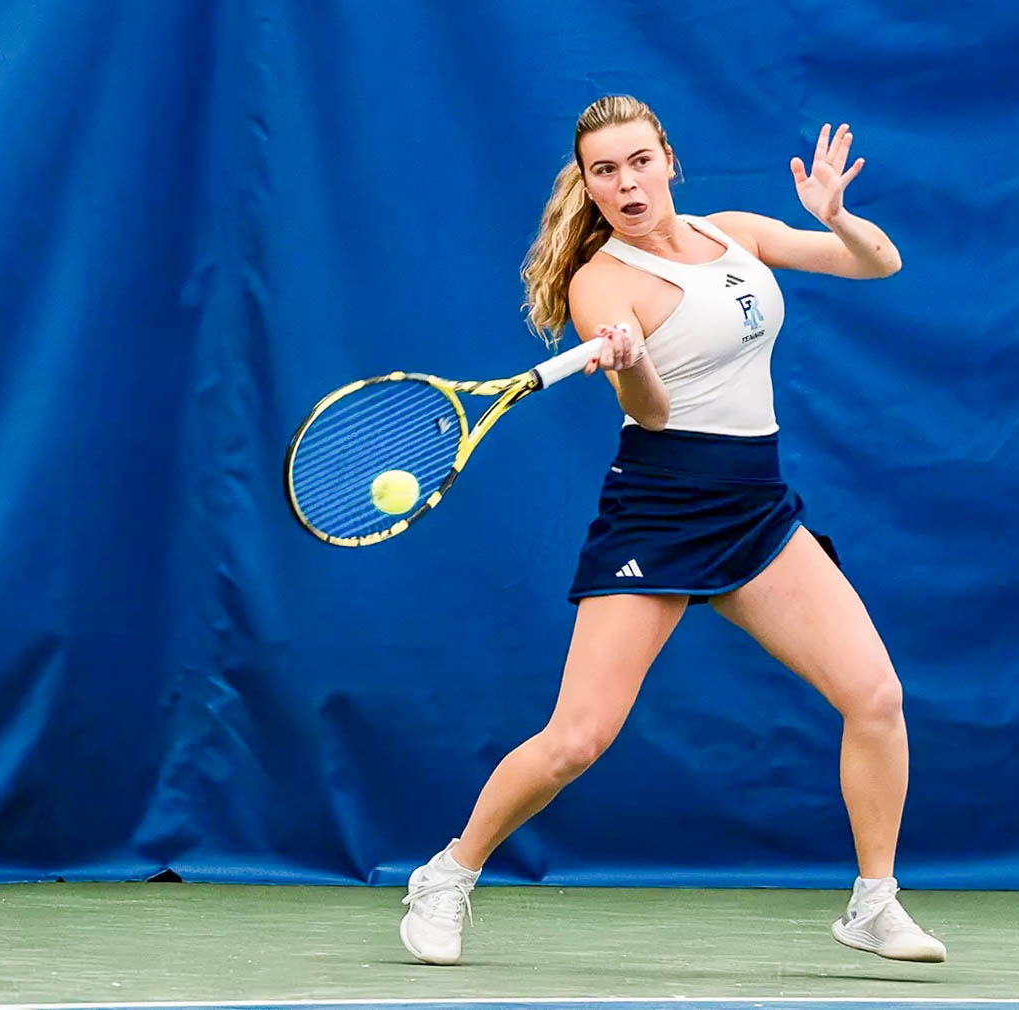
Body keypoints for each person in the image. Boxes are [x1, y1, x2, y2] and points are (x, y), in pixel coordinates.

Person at [398, 94, 944, 967]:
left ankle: (873, 904)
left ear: (668, 160)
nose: (625, 182)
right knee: (578, 739)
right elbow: (651, 416)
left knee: (875, 698)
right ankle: (447, 874)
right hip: (658, 510)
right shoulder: (600, 283)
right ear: (587, 185)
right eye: (604, 171)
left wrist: (840, 220)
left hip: (755, 506)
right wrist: (633, 361)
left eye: (638, 161)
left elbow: (877, 265)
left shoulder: (735, 233)